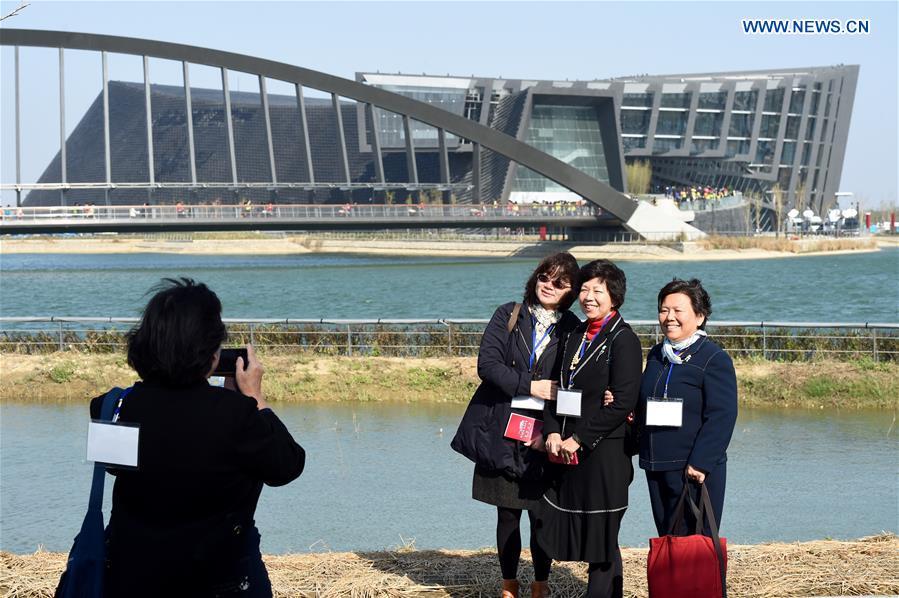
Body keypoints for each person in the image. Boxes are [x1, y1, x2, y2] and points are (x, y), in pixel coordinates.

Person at [85, 278, 305, 597]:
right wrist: (255, 398)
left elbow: (115, 466)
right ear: (212, 353)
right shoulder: (236, 415)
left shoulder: (112, 406)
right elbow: (288, 466)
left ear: (145, 342)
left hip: (131, 576)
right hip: (221, 580)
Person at [452, 253, 581, 598]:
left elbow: (577, 379)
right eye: (545, 277)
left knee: (543, 515)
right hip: (502, 428)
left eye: (559, 283)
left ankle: (541, 583)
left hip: (547, 432)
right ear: (535, 277)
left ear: (571, 291)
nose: (549, 286)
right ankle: (509, 583)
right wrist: (530, 385)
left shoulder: (571, 328)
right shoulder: (509, 314)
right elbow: (488, 366)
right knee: (507, 514)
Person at [536, 259, 643, 598]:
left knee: (602, 534)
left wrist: (580, 438)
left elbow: (624, 401)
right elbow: (557, 390)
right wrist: (553, 431)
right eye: (584, 289)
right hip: (566, 447)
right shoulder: (574, 334)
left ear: (615, 297)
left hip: (604, 451)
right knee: (586, 531)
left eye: (598, 290)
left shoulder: (624, 340)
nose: (589, 296)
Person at [636, 278, 737, 537]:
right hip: (657, 465)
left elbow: (722, 415)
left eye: (678, 310)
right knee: (669, 541)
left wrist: (701, 463)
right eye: (664, 310)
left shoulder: (713, 358)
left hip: (693, 470)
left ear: (700, 316)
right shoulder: (658, 354)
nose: (669, 317)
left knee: (696, 545)